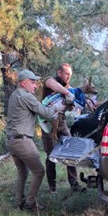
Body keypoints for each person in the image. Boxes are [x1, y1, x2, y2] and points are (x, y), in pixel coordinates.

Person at [6, 69, 65, 211]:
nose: (36, 85)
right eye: (32, 82)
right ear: (23, 83)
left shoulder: (15, 95)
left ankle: (19, 202)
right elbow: (48, 114)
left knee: (23, 172)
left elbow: (37, 109)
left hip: (11, 140)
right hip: (22, 141)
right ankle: (30, 203)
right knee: (39, 171)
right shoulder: (26, 96)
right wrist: (58, 107)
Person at [41, 63, 80, 193]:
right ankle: (52, 187)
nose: (69, 77)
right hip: (48, 125)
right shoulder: (49, 80)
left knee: (71, 151)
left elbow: (72, 107)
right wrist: (67, 92)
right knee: (51, 155)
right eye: (67, 74)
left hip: (61, 123)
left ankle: (74, 184)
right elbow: (52, 85)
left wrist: (73, 104)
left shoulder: (68, 88)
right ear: (59, 73)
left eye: (70, 75)